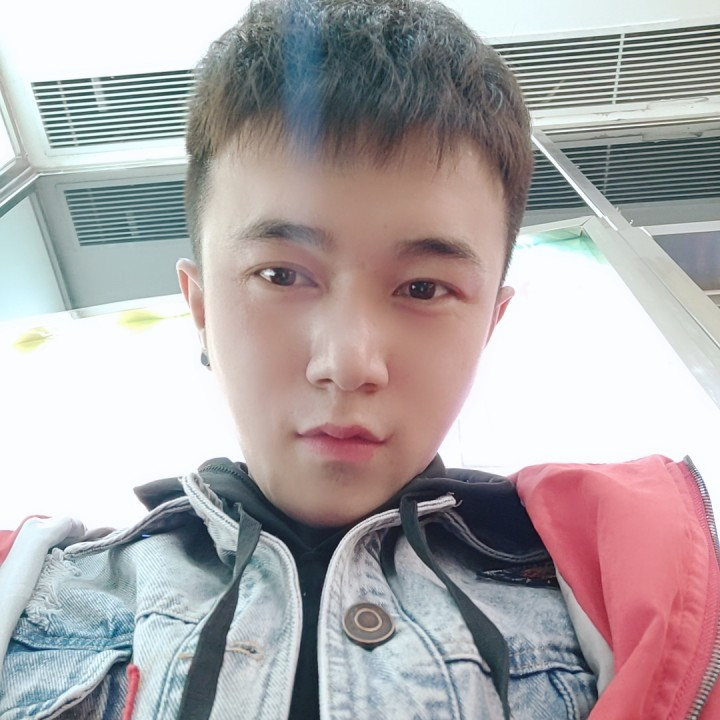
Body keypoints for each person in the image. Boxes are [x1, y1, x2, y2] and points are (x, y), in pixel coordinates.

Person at [0, 0, 718, 718]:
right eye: (281, 274)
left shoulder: (621, 611)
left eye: (424, 288)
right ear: (202, 310)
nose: (347, 364)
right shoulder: (34, 605)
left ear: (489, 327)